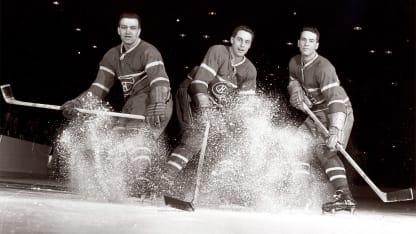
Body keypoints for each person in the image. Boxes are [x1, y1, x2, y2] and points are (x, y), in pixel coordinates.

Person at [61, 12, 173, 196]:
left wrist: (159, 102)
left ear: (139, 31)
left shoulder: (149, 51)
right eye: (124, 27)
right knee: (118, 140)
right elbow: (99, 87)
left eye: (133, 28)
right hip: (132, 104)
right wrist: (78, 102)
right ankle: (127, 183)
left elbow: (159, 81)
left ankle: (142, 181)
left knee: (139, 139)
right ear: (118, 30)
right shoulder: (111, 55)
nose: (128, 31)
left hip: (154, 103)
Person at [161, 25, 257, 198]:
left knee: (223, 141)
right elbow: (199, 84)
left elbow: (245, 105)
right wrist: (206, 110)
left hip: (213, 106)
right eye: (240, 40)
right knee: (196, 136)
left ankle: (190, 189)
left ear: (250, 45)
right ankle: (163, 181)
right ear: (232, 40)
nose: (242, 45)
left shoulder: (249, 70)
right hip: (190, 94)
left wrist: (240, 123)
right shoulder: (218, 51)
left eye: (247, 42)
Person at [287, 27, 356, 212]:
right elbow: (293, 81)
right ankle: (301, 195)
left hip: (339, 111)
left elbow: (335, 99)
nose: (307, 43)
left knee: (327, 150)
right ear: (298, 42)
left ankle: (345, 197)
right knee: (296, 145)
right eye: (304, 40)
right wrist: (295, 91)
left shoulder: (324, 67)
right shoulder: (294, 62)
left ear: (316, 45)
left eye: (311, 41)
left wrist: (335, 129)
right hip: (317, 113)